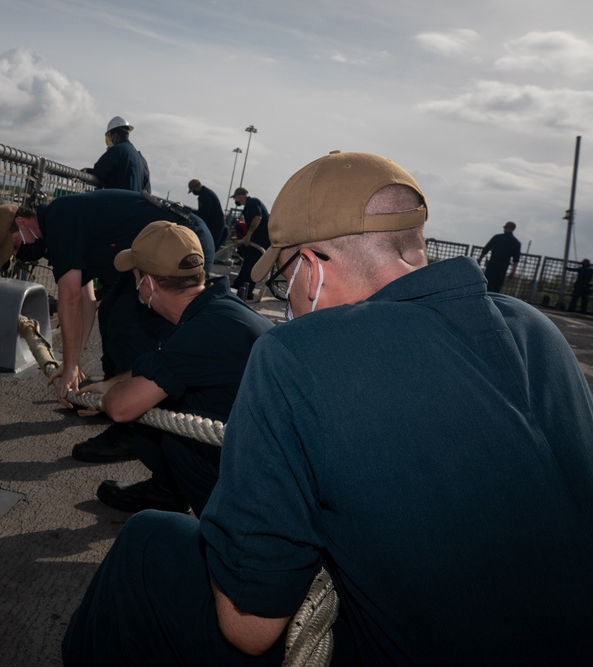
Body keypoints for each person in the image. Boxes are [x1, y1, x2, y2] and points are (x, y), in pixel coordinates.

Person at [62, 150, 593, 666]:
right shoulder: (536, 331)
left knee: (148, 542)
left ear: (310, 271)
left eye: (282, 279)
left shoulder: (297, 356)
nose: (285, 299)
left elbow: (248, 625)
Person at [0, 189, 214, 462]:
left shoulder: (58, 220)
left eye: (18, 247)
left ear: (22, 224)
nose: (23, 256)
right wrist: (74, 363)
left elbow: (69, 300)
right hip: (173, 242)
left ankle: (131, 430)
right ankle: (113, 398)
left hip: (182, 244)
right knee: (113, 311)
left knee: (128, 325)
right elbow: (86, 300)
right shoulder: (62, 222)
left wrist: (68, 366)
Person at [76, 221, 273, 516]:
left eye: (135, 276)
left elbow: (121, 408)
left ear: (148, 284)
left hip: (261, 485)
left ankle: (229, 536)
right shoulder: (219, 307)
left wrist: (109, 396)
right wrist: (109, 383)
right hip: (271, 459)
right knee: (167, 397)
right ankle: (170, 489)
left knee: (169, 433)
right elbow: (171, 363)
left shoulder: (201, 333)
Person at [86, 116, 151, 193]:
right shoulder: (140, 158)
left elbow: (99, 171)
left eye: (109, 137)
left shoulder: (117, 151)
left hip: (118, 202)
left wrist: (86, 171)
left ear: (115, 135)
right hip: (134, 203)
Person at [229, 186, 270, 299]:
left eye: (236, 198)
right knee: (247, 262)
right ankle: (238, 285)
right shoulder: (247, 207)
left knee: (251, 265)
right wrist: (243, 240)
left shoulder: (252, 202)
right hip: (256, 239)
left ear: (240, 196)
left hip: (262, 239)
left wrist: (248, 236)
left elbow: (257, 217)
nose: (236, 200)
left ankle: (247, 291)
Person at [477, 221, 521, 292]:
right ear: (513, 229)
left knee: (487, 284)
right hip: (504, 266)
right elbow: (516, 260)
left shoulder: (497, 237)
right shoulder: (516, 243)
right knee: (497, 287)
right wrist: (513, 272)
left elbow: (486, 249)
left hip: (493, 263)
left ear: (505, 228)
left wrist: (479, 259)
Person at [187, 178, 227, 248]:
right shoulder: (206, 194)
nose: (194, 192)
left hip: (215, 226)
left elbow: (203, 215)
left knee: (208, 246)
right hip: (216, 225)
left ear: (198, 186)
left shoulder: (205, 196)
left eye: (193, 190)